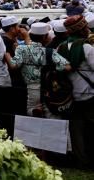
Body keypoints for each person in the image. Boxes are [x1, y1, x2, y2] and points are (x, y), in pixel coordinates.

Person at [7, 22, 69, 118]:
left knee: (31, 109)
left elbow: (13, 65)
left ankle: (35, 113)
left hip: (32, 87)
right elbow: (67, 67)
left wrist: (6, 55)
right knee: (51, 113)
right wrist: (53, 67)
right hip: (49, 87)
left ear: (30, 35)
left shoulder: (21, 49)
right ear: (45, 36)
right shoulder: (50, 51)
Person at [57, 15, 94, 168]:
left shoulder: (61, 47)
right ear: (82, 29)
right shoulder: (87, 47)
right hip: (90, 93)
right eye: (86, 27)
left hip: (71, 96)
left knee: (77, 130)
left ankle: (81, 160)